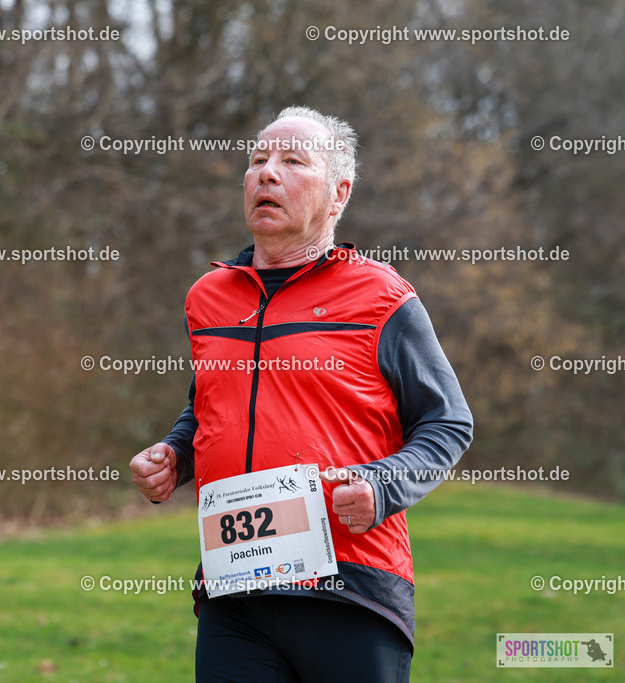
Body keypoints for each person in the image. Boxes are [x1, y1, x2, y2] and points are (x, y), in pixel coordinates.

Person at [129, 106, 473, 682]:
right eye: (258, 159)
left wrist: (383, 486)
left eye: (292, 160)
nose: (267, 172)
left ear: (338, 194)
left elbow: (447, 423)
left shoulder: (382, 298)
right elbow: (208, 406)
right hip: (233, 586)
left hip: (350, 587)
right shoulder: (208, 298)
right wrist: (175, 453)